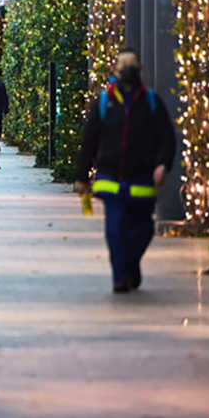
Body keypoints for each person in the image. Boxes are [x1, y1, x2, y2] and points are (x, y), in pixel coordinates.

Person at [74, 47, 176, 294]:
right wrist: (81, 176)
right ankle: (120, 276)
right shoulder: (104, 102)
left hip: (142, 179)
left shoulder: (151, 102)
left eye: (132, 64)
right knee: (116, 228)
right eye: (123, 65)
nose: (127, 69)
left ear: (140, 69)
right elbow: (90, 140)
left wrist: (162, 164)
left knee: (143, 229)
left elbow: (167, 138)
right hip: (110, 178)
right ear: (115, 70)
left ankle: (130, 264)